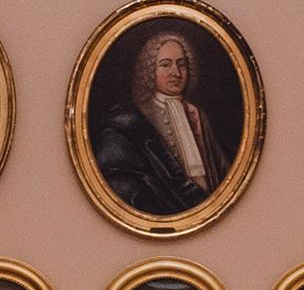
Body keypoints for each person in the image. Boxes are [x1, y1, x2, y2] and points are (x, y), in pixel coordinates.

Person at [89, 27, 230, 219]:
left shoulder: (197, 115)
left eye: (182, 65)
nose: (176, 72)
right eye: (166, 65)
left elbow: (221, 172)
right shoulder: (133, 119)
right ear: (150, 70)